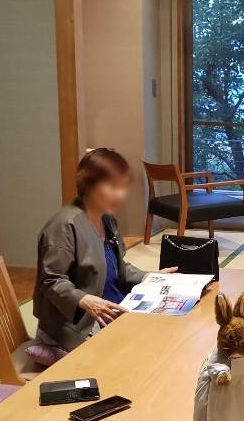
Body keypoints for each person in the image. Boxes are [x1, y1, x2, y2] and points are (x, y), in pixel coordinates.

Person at [33, 148, 168, 356]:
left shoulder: (107, 219)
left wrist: (152, 278)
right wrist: (85, 300)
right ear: (88, 184)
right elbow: (50, 280)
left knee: (165, 331)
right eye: (113, 186)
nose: (120, 194)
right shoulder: (64, 226)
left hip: (111, 307)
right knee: (142, 353)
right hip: (77, 324)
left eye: (123, 187)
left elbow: (117, 268)